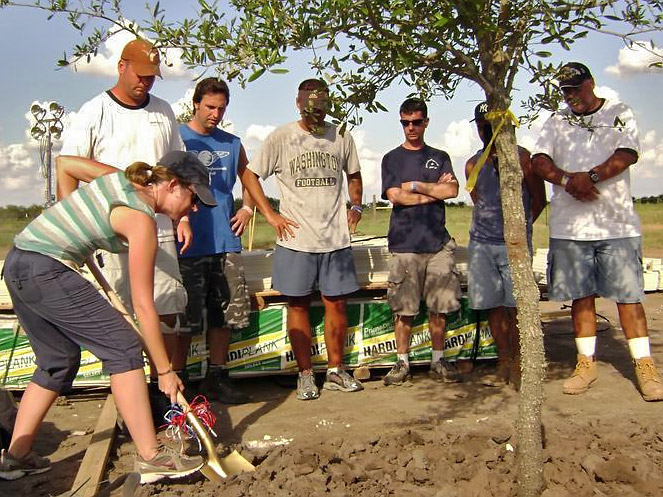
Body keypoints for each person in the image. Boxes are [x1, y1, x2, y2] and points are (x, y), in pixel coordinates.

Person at [0, 151, 212, 482]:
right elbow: (144, 305)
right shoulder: (141, 220)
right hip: (45, 269)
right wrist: (165, 371)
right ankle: (152, 456)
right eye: (193, 197)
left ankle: (15, 457)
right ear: (172, 185)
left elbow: (66, 165)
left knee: (57, 361)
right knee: (124, 349)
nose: (195, 208)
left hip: (18, 263)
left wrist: (73, 226)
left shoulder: (122, 179)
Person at [59, 38, 189, 417]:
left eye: (152, 77)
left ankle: (168, 393)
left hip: (160, 228)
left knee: (166, 312)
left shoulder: (164, 112)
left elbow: (176, 169)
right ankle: (132, 400)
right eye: (141, 75)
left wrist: (181, 217)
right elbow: (68, 165)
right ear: (121, 66)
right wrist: (74, 226)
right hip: (113, 234)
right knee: (124, 319)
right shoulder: (94, 112)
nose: (146, 83)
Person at [532, 61, 663, 401]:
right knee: (581, 297)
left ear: (591, 83)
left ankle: (645, 367)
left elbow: (627, 154)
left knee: (629, 297)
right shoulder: (556, 121)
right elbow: (539, 161)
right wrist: (566, 180)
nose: (571, 96)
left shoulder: (618, 112)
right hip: (571, 227)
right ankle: (585, 363)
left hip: (615, 224)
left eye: (576, 88)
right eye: (565, 91)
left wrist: (588, 177)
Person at [246, 78, 364, 400]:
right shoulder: (282, 137)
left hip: (335, 238)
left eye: (321, 108)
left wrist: (356, 205)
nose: (316, 115)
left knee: (336, 304)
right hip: (296, 239)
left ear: (327, 105)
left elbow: (354, 174)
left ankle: (336, 371)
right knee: (297, 305)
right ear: (298, 103)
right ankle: (305, 374)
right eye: (310, 108)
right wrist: (270, 215)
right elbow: (250, 174)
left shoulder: (340, 135)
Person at [174, 77, 253, 404]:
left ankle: (216, 378)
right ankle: (177, 385)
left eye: (221, 108)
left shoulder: (232, 143)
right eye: (210, 107)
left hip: (226, 243)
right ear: (195, 103)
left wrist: (248, 207)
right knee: (184, 321)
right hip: (187, 245)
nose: (215, 114)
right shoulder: (177, 138)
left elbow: (250, 178)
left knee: (226, 316)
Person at [380, 98, 462, 386]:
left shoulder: (439, 156)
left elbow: (452, 190)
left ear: (426, 122)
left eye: (416, 122)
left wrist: (415, 186)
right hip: (404, 245)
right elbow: (395, 196)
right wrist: (434, 192)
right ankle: (401, 363)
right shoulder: (392, 158)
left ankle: (438, 360)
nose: (411, 128)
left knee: (439, 307)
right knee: (404, 310)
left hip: (437, 244)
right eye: (405, 123)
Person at [465, 102, 546, 389]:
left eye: (491, 124)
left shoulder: (523, 159)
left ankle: (522, 362)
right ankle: (503, 359)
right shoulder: (473, 164)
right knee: (493, 306)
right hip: (482, 245)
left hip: (514, 245)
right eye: (481, 125)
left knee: (517, 307)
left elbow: (538, 200)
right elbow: (479, 201)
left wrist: (520, 229)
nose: (486, 130)